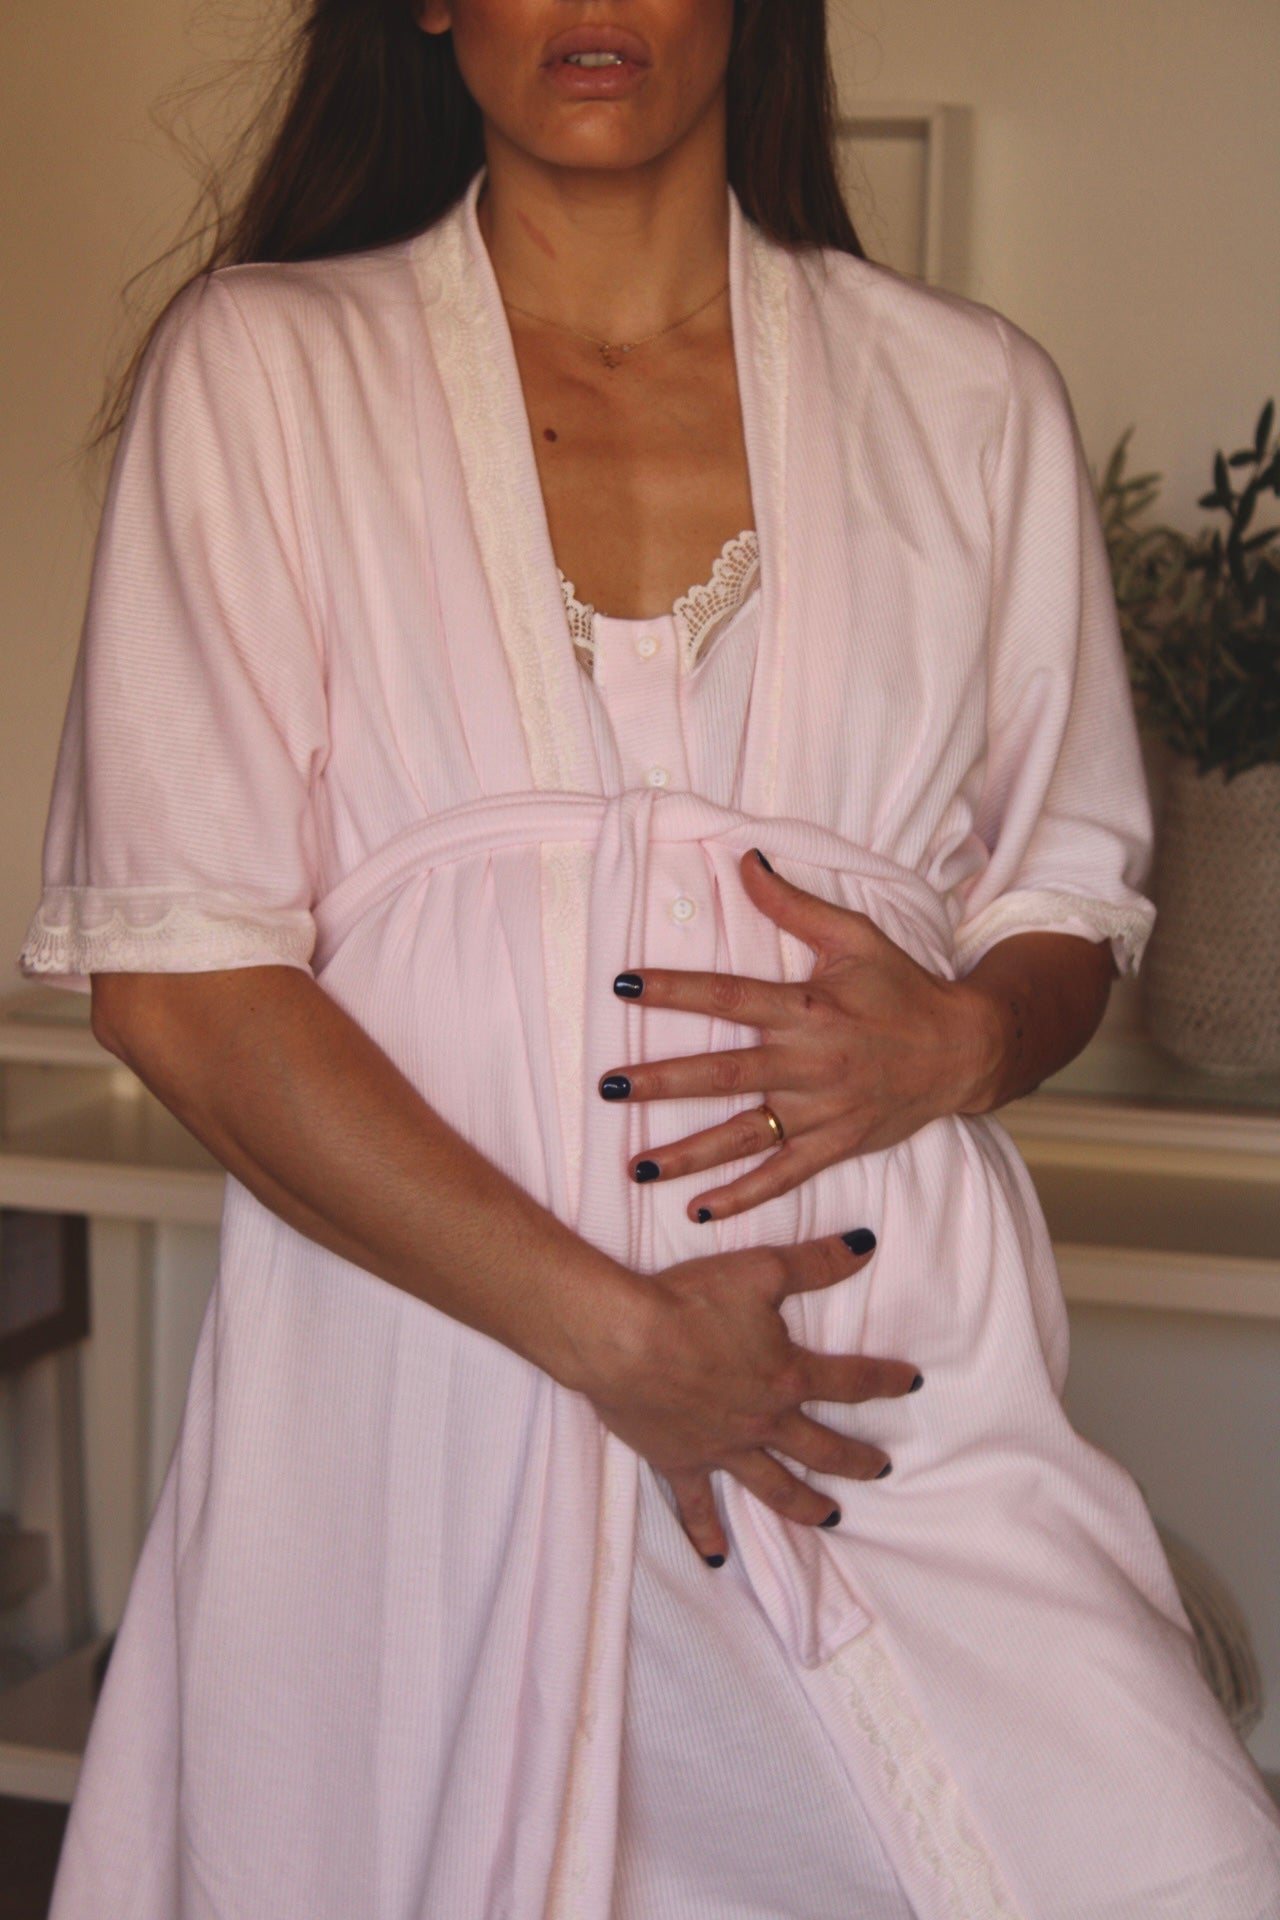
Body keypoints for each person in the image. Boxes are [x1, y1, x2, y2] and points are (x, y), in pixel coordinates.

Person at [23, 2, 1280, 1914]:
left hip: (869, 1391)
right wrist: (617, 1340)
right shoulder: (269, 366)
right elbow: (183, 977)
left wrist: (960, 1044)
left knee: (1159, 1858)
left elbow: (1070, 903)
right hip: (426, 1383)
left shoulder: (966, 396)